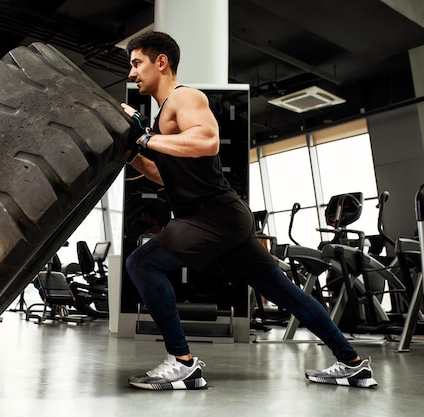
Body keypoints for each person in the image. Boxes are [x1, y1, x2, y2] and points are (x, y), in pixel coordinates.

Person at [121, 31, 377, 390]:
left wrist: (145, 138)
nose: (132, 73)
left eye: (136, 63)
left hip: (213, 217)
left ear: (160, 62)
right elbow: (163, 175)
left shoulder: (185, 97)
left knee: (141, 263)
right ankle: (352, 364)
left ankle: (182, 362)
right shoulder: (165, 115)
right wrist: (132, 152)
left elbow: (207, 141)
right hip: (223, 222)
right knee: (286, 293)